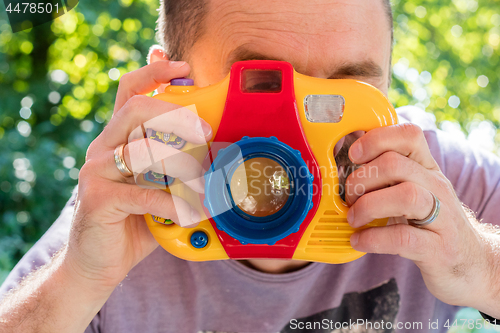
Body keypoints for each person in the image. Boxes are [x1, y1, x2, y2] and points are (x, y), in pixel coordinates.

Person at [1, 0, 500, 332]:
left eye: (350, 91)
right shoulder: (132, 204)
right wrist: (77, 283)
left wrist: (478, 263)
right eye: (264, 86)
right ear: (165, 89)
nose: (303, 137)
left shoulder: (432, 184)